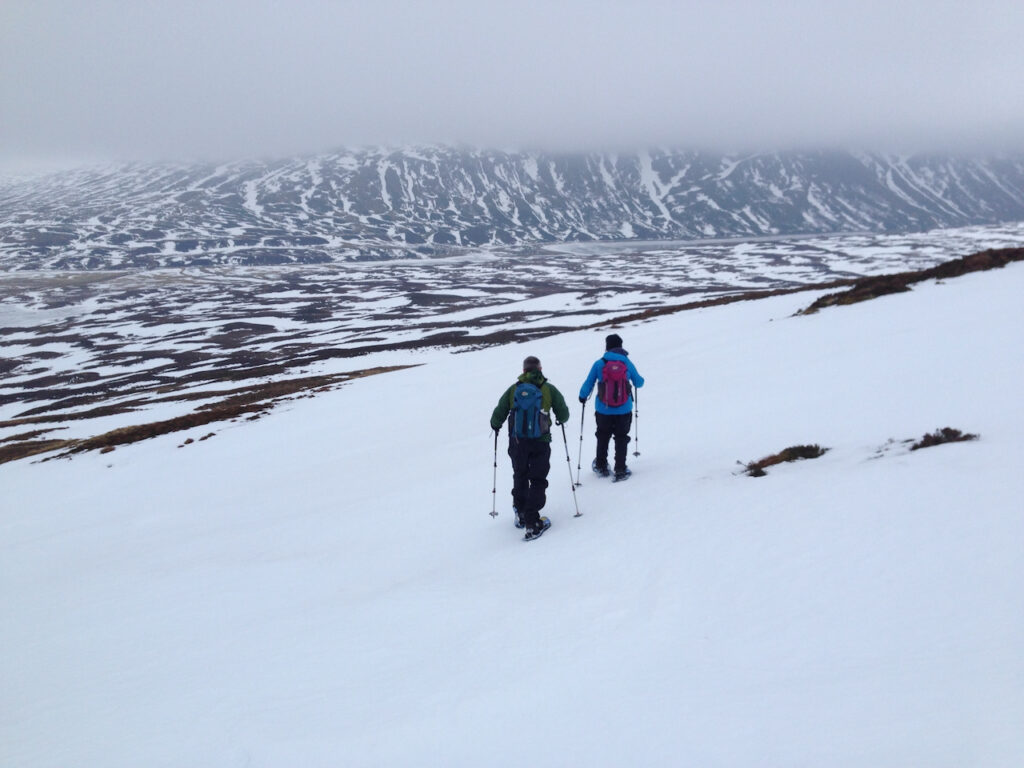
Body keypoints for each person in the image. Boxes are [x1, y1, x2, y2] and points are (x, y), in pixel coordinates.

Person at [490, 356, 570, 541]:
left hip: (517, 442)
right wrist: (560, 419)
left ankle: (521, 513)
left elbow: (499, 412)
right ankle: (533, 523)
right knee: (538, 479)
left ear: (524, 370)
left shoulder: (514, 389)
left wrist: (495, 425)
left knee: (520, 474)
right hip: (540, 441)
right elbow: (564, 413)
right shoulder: (548, 389)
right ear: (540, 369)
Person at [578, 333, 645, 481]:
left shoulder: (599, 363)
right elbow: (639, 383)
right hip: (624, 409)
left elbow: (589, 382)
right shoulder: (627, 362)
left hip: (603, 409)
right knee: (621, 438)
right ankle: (620, 469)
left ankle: (601, 466)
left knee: (603, 436)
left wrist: (582, 396)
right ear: (621, 346)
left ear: (607, 346)